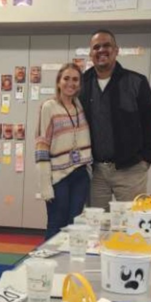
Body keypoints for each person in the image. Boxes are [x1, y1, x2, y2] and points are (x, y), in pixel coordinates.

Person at [78, 30, 151, 209]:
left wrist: (146, 159)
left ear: (116, 50)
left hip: (131, 170)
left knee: (133, 224)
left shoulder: (136, 82)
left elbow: (150, 124)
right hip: (95, 172)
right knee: (96, 226)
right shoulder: (82, 83)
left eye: (107, 45)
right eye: (96, 47)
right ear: (91, 53)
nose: (101, 50)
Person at [35, 62, 92, 239]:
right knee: (56, 223)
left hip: (80, 174)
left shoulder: (79, 106)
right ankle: (47, 265)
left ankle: (67, 265)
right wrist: (45, 185)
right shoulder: (49, 107)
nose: (71, 83)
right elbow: (42, 145)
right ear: (59, 81)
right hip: (59, 176)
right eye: (66, 78)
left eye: (75, 79)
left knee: (74, 225)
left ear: (80, 85)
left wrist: (88, 169)